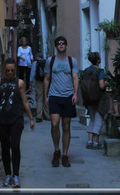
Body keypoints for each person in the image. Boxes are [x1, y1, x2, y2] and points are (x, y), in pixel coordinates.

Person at [0, 57, 35, 188]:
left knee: (15, 146)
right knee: (5, 147)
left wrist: (31, 118)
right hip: (2, 118)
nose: (10, 73)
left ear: (15, 70)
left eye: (12, 71)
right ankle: (7, 174)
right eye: (7, 70)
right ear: (4, 70)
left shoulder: (19, 82)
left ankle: (16, 175)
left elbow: (25, 101)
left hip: (16, 118)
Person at [44, 36, 79, 167]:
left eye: (63, 43)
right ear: (56, 46)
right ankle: (56, 150)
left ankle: (64, 154)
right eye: (59, 43)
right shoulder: (50, 61)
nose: (61, 45)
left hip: (68, 96)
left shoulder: (72, 61)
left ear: (66, 45)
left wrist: (75, 93)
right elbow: (47, 78)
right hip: (54, 96)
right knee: (54, 124)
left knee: (66, 126)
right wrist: (45, 96)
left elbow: (75, 78)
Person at [82, 51, 107, 149]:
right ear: (98, 60)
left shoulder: (86, 71)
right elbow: (101, 85)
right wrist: (107, 84)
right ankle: (96, 142)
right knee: (98, 120)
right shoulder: (100, 71)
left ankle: (89, 141)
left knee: (92, 119)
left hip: (88, 99)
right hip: (98, 99)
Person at [30, 52, 50, 122]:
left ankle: (39, 116)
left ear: (37, 57)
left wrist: (30, 83)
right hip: (47, 81)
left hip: (38, 82)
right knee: (46, 97)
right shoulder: (46, 62)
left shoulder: (35, 63)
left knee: (39, 99)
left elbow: (32, 73)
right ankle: (47, 115)